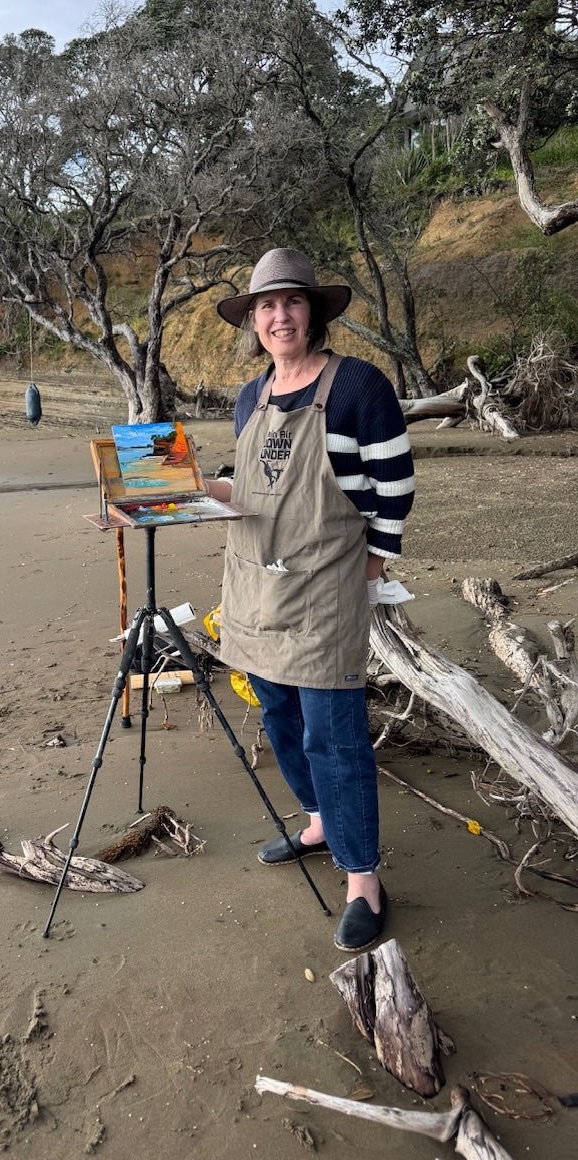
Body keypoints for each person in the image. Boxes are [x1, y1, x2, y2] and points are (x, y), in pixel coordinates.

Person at [208, 247, 415, 951]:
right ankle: (320, 823)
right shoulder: (250, 397)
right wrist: (180, 490)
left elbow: (394, 488)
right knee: (279, 714)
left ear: (313, 311)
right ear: (253, 321)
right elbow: (246, 490)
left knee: (334, 734)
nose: (280, 316)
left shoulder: (357, 385)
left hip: (326, 586)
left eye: (292, 301)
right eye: (266, 305)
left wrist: (373, 565)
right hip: (257, 586)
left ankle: (363, 879)